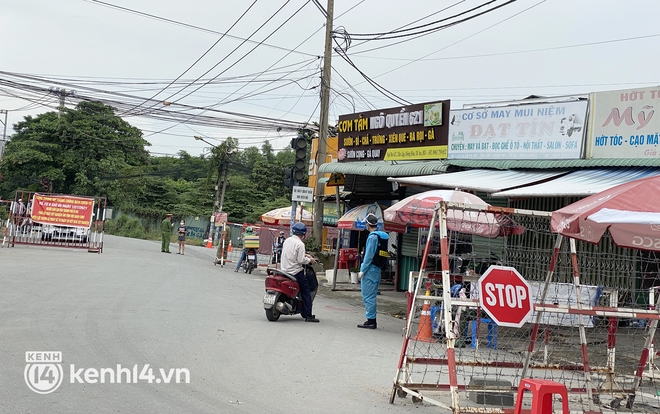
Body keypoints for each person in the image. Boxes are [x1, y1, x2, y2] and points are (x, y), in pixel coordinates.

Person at [280, 222, 319, 323]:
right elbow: (301, 260)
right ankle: (308, 315)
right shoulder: (300, 244)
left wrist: (307, 255)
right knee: (306, 291)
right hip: (295, 271)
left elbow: (292, 253)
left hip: (284, 270)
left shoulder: (287, 240)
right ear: (303, 234)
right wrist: (310, 260)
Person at [357, 213, 389, 330]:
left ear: (368, 224)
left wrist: (362, 270)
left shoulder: (372, 237)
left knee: (368, 296)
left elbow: (368, 256)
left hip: (370, 270)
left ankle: (371, 321)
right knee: (372, 295)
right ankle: (371, 319)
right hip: (377, 269)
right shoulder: (383, 236)